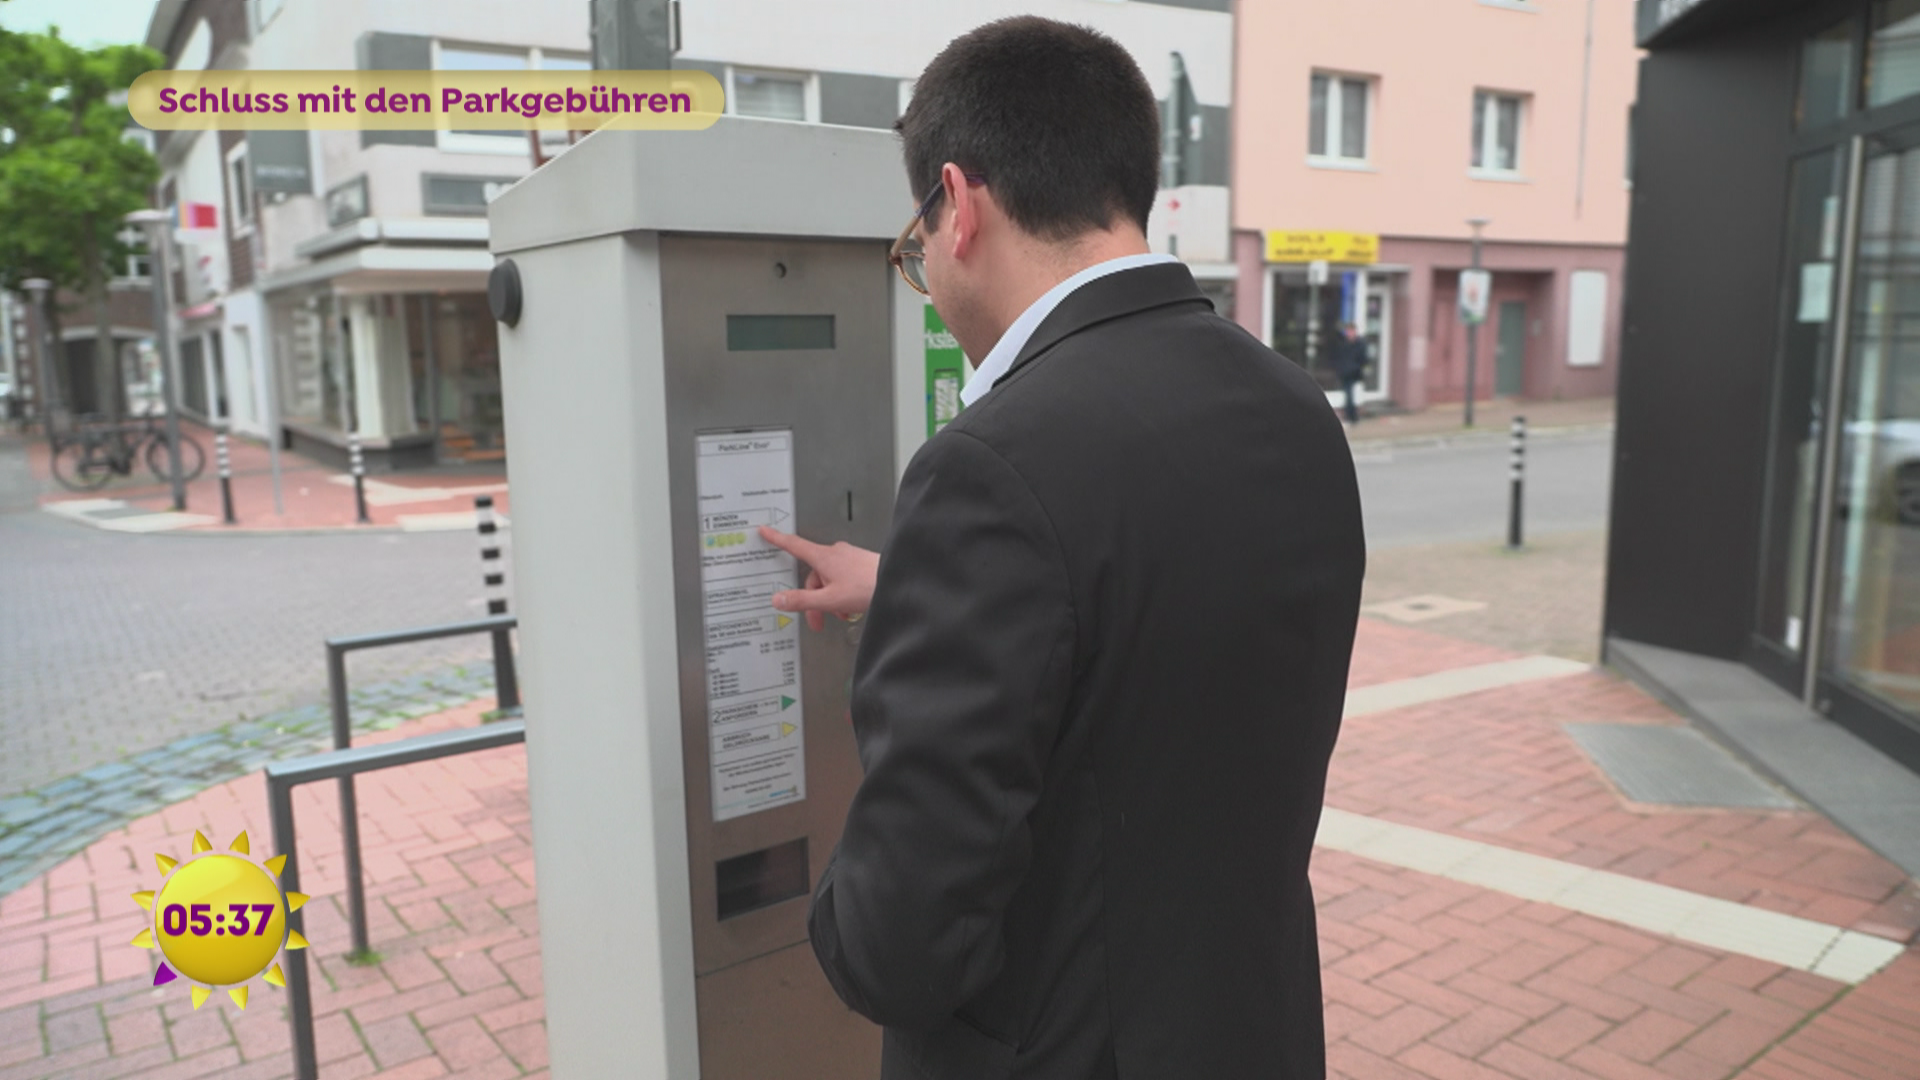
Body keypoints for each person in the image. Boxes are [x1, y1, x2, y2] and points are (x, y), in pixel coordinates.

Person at [758, 17, 1365, 1079]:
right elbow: (1158, 618)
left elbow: (901, 948)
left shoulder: (992, 464)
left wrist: (824, 902)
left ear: (960, 206)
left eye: (915, 248)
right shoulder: (1290, 405)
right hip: (1249, 1030)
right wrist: (913, 587)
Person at [1334, 321, 1370, 425]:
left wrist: (1358, 368)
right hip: (1345, 372)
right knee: (1348, 394)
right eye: (1348, 331)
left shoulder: (1360, 343)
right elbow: (1339, 357)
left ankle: (1352, 416)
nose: (1349, 333)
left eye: (1351, 331)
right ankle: (1351, 416)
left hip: (1354, 373)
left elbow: (1363, 358)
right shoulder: (1343, 343)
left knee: (1351, 394)